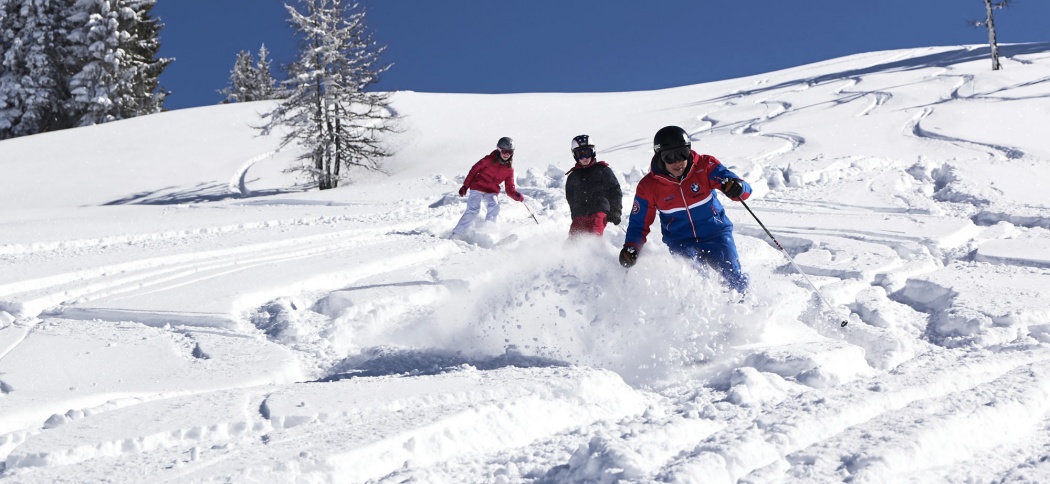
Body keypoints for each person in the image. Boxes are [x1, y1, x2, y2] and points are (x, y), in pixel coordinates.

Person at [618, 126, 752, 293]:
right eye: (669, 156)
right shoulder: (649, 187)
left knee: (732, 276)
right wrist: (632, 247)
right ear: (659, 157)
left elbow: (744, 190)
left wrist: (737, 188)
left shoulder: (705, 166)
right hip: (681, 242)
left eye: (682, 153)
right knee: (696, 282)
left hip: (716, 234)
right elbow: (639, 224)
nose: (677, 162)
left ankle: (744, 309)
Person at [451, 136, 525, 238]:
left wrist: (515, 194)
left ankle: (489, 234)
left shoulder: (509, 169)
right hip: (478, 187)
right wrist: (465, 186)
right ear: (499, 150)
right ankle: (457, 234)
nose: (507, 154)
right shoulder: (488, 160)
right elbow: (474, 171)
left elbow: (509, 188)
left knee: (494, 208)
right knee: (473, 209)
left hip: (491, 191)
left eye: (510, 152)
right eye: (504, 151)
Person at [564, 134, 623, 239]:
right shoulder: (573, 176)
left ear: (593, 152)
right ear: (575, 156)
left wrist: (616, 211)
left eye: (587, 153)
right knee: (573, 238)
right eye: (580, 154)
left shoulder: (602, 170)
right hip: (580, 214)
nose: (584, 158)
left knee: (594, 234)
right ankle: (568, 255)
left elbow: (615, 191)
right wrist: (574, 213)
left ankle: (596, 253)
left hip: (599, 210)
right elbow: (570, 197)